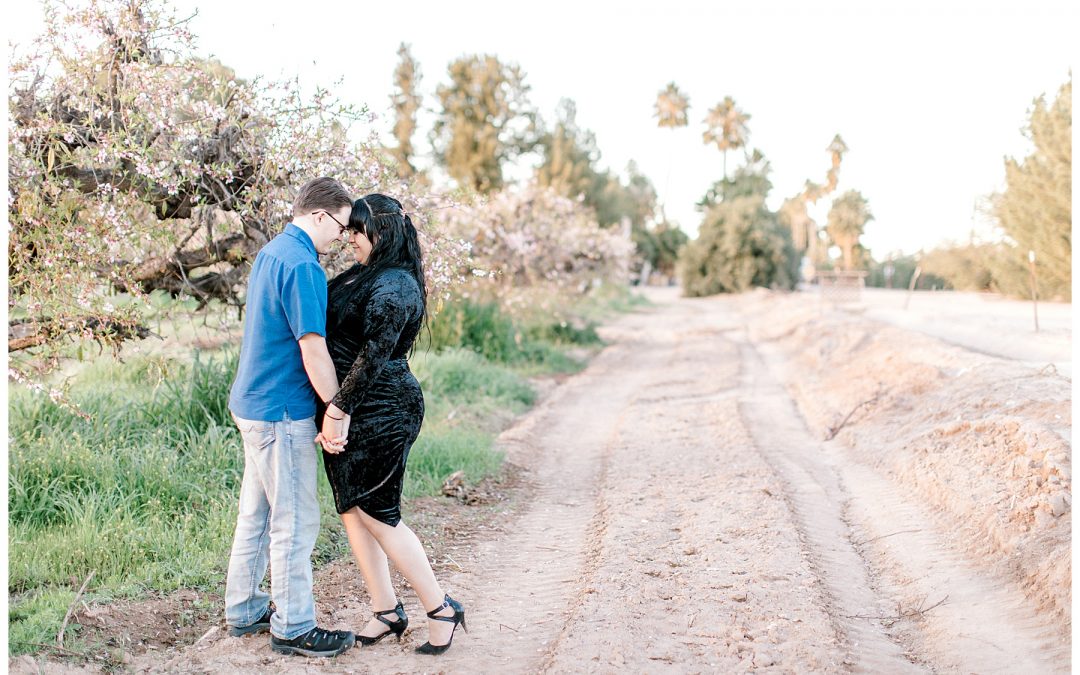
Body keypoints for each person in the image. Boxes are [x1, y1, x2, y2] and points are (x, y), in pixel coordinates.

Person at [319, 193, 467, 655]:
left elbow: (374, 354)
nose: (351, 239)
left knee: (378, 514)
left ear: (383, 232)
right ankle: (386, 610)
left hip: (383, 409)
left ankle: (441, 608)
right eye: (350, 231)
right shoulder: (366, 275)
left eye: (359, 231)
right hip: (350, 406)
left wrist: (337, 410)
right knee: (351, 510)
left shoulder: (398, 285)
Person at [224, 177, 356, 658]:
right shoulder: (304, 266)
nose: (341, 238)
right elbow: (313, 348)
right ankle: (295, 625)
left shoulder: (272, 251)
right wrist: (337, 408)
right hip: (281, 410)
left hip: (252, 403)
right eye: (340, 227)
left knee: (257, 514)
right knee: (295, 521)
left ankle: (243, 608)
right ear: (320, 216)